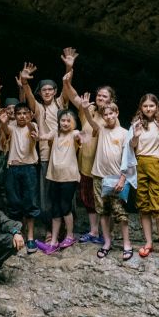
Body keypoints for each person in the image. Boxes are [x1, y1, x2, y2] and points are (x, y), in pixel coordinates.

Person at [61, 49, 114, 246]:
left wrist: (86, 110)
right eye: (99, 95)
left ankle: (106, 234)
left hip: (102, 167)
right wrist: (68, 70)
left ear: (111, 101)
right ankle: (93, 231)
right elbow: (71, 94)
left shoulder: (110, 116)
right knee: (88, 200)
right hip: (85, 164)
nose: (100, 99)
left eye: (104, 97)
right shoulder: (88, 109)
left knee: (103, 201)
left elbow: (97, 129)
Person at [75, 92, 134, 260]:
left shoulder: (124, 133)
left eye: (111, 113)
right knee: (103, 211)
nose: (108, 117)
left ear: (117, 114)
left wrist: (123, 179)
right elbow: (91, 121)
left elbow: (128, 159)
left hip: (116, 178)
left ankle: (127, 244)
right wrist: (86, 109)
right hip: (99, 177)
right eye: (105, 114)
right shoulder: (100, 129)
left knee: (120, 212)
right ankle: (106, 242)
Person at [20, 57, 66, 244]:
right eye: (44, 90)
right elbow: (29, 96)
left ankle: (64, 228)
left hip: (64, 155)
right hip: (46, 155)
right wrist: (24, 81)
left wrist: (68, 66)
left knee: (63, 193)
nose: (47, 92)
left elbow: (68, 87)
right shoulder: (37, 109)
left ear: (55, 92)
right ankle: (49, 228)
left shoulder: (61, 104)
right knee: (46, 194)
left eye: (50, 90)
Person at [130, 93, 159, 267]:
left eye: (151, 106)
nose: (148, 109)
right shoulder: (137, 123)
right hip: (140, 163)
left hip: (157, 164)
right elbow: (132, 146)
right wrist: (135, 135)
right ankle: (148, 242)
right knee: (143, 204)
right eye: (145, 106)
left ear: (157, 107)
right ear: (141, 108)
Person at [35, 107, 83, 253]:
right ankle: (54, 242)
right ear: (59, 121)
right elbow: (44, 137)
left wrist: (82, 137)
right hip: (54, 176)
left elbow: (82, 137)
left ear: (74, 123)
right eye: (63, 120)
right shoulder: (55, 133)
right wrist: (38, 137)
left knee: (65, 207)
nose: (66, 123)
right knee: (55, 208)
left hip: (69, 177)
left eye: (69, 121)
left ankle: (70, 236)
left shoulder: (74, 133)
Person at [0, 92, 42, 253]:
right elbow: (6, 130)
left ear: (30, 115)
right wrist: (3, 122)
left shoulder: (33, 126)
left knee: (30, 202)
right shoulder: (11, 127)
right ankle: (17, 234)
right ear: (15, 116)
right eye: (19, 113)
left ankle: (30, 237)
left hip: (29, 167)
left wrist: (31, 122)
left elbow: (34, 132)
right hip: (13, 168)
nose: (22, 116)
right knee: (14, 202)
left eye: (25, 113)